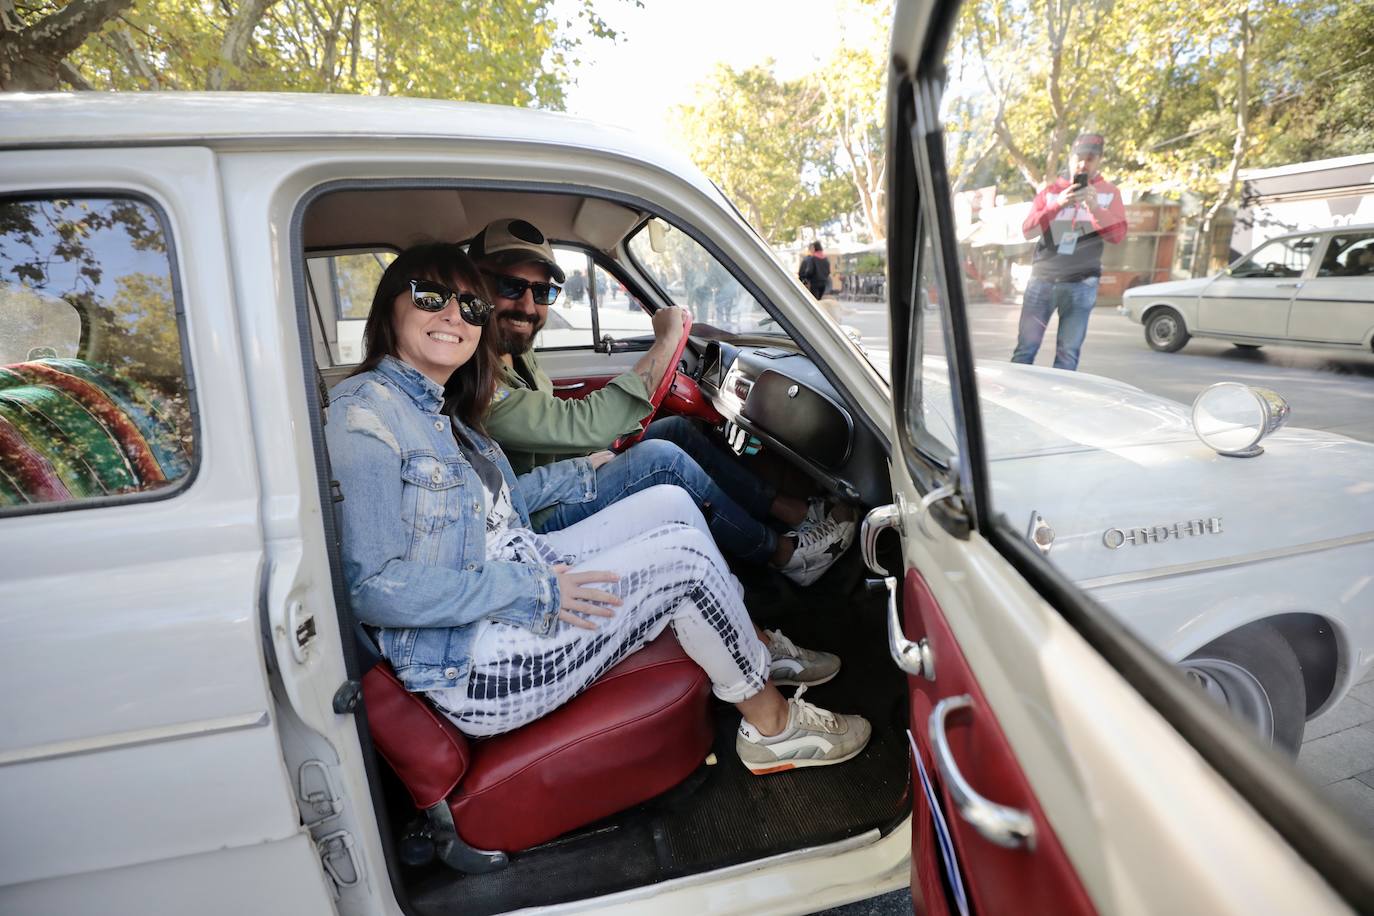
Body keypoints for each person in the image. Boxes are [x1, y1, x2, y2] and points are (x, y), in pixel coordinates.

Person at [325, 242, 871, 774]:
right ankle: (774, 729)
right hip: (469, 661)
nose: (453, 316)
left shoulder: (441, 406)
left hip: (515, 570)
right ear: (390, 307)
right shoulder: (365, 415)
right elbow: (373, 589)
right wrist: (537, 591)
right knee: (682, 563)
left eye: (470, 306)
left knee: (669, 501)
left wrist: (585, 470)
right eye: (429, 297)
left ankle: (742, 642)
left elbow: (503, 506)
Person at [469, 217, 857, 586]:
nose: (527, 305)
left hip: (560, 479)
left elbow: (555, 428)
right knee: (662, 461)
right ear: (475, 286)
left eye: (542, 293)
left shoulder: (512, 351)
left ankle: (798, 513)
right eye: (510, 287)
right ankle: (785, 555)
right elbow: (578, 424)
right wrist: (666, 341)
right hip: (533, 520)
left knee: (677, 431)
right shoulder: (473, 380)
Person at [1011, 132, 1127, 371]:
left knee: (1068, 355)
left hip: (1081, 284)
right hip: (1042, 280)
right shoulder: (1051, 190)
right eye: (1079, 157)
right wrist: (1057, 205)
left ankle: (1058, 407)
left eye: (1091, 158)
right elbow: (1028, 231)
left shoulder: (1109, 193)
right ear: (1070, 158)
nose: (1084, 163)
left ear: (1100, 160)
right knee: (1025, 350)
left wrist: (1095, 208)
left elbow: (1117, 236)